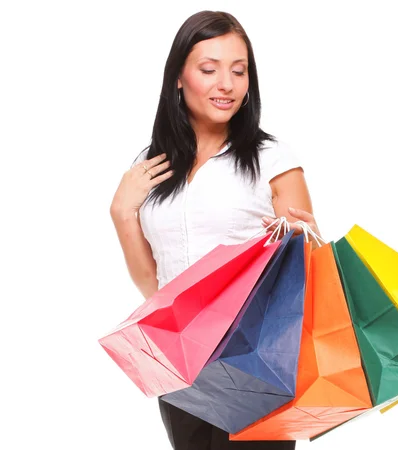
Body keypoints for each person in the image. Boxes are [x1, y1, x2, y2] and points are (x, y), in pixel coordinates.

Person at [109, 10, 322, 450]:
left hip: (253, 357)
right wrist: (121, 212)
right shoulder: (150, 167)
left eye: (239, 71)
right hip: (177, 355)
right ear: (179, 79)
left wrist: (304, 241)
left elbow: (307, 277)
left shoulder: (273, 159)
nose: (227, 83)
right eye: (209, 69)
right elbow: (155, 286)